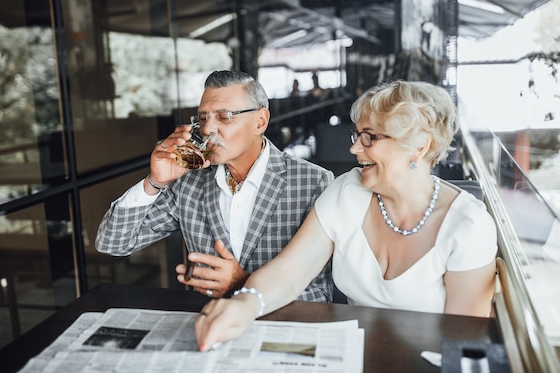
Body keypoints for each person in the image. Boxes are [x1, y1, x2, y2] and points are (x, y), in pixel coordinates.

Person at [194, 80, 498, 351]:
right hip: (352, 355)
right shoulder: (347, 191)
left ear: (419, 147)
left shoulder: (468, 227)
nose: (354, 148)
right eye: (357, 134)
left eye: (370, 137)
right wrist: (246, 304)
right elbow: (289, 271)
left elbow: (463, 340)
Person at [95, 70, 335, 302]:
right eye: (202, 118)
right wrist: (155, 182)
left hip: (280, 332)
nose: (208, 129)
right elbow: (113, 243)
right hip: (209, 329)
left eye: (224, 117)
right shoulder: (188, 183)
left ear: (260, 122)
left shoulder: (313, 183)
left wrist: (243, 284)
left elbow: (319, 296)